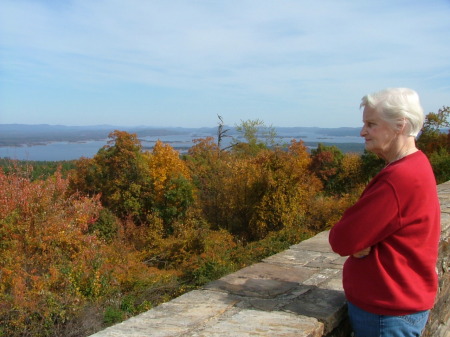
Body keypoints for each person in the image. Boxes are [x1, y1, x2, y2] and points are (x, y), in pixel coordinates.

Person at [328, 88, 440, 337]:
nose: (362, 132)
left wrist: (356, 242)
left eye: (371, 124)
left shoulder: (399, 177)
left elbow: (342, 239)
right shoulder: (417, 164)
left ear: (400, 125)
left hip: (386, 313)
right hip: (399, 305)